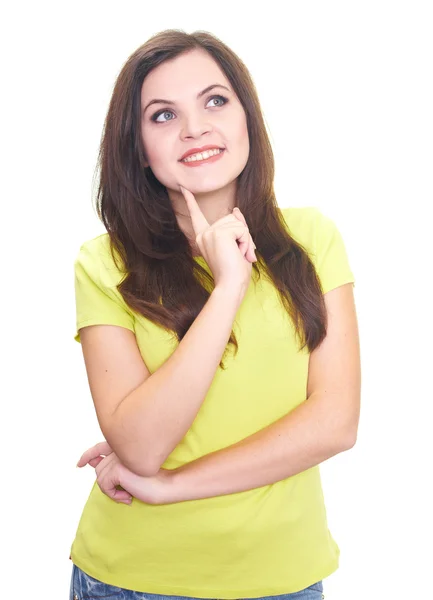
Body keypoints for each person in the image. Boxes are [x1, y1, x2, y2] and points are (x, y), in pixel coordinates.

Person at [68, 28, 361, 600]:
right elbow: (141, 447)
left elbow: (335, 423)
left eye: (215, 101)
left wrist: (172, 486)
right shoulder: (104, 264)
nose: (194, 127)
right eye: (162, 116)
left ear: (247, 117)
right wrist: (228, 287)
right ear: (138, 148)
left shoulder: (312, 240)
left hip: (284, 576)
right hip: (133, 579)